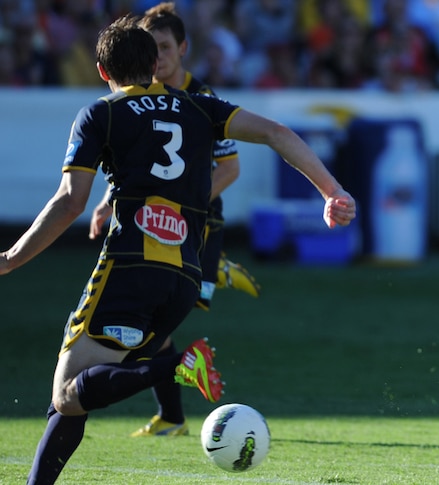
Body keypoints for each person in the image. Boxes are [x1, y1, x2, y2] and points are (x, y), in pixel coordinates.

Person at [5, 15, 354, 485]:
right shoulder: (200, 107)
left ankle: (175, 366)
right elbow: (277, 133)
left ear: (102, 71)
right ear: (155, 64)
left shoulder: (101, 113)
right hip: (184, 278)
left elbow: (70, 202)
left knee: (69, 394)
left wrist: (10, 259)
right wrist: (332, 191)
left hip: (129, 266)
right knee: (70, 397)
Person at [88, 1, 261, 438]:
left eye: (164, 47)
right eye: (151, 48)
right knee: (154, 324)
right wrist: (110, 201)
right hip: (156, 227)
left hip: (195, 224)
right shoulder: (137, 101)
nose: (158, 57)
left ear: (183, 49)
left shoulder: (200, 101)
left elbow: (230, 168)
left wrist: (181, 204)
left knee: (155, 318)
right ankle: (173, 415)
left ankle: (215, 269)